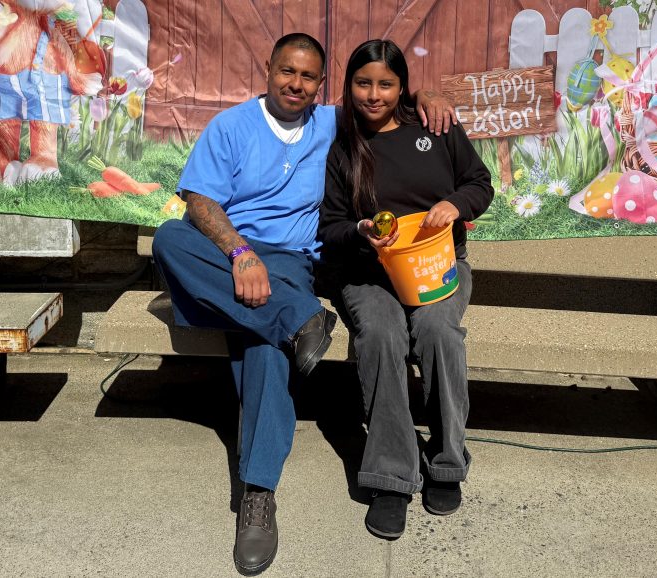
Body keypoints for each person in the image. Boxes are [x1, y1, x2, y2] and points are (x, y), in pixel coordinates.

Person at [152, 33, 456, 576]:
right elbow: (198, 199)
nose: (296, 84)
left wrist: (427, 95)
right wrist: (240, 254)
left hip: (290, 262)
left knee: (262, 345)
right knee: (170, 240)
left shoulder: (331, 122)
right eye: (287, 72)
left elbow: (384, 94)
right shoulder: (231, 126)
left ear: (321, 83)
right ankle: (299, 322)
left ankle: (257, 495)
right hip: (232, 256)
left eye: (309, 77)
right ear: (267, 70)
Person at [318, 39, 493, 540]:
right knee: (380, 334)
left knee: (438, 331)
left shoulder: (433, 126)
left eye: (386, 84)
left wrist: (456, 204)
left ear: (402, 87)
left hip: (437, 265)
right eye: (363, 83)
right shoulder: (342, 147)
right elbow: (330, 225)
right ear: (349, 85)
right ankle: (391, 476)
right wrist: (361, 231)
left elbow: (480, 182)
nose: (374, 95)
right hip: (369, 274)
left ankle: (446, 460)